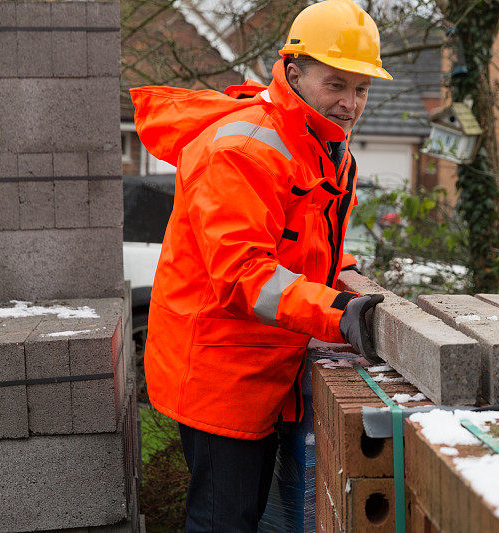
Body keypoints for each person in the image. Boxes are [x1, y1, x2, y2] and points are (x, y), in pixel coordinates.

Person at [130, 0, 391, 530]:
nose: (349, 103)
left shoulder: (325, 147)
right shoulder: (245, 150)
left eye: (361, 89)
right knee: (223, 521)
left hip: (261, 361)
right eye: (336, 84)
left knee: (240, 514)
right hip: (220, 369)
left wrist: (347, 279)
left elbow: (311, 248)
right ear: (294, 72)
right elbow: (243, 276)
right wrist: (339, 313)